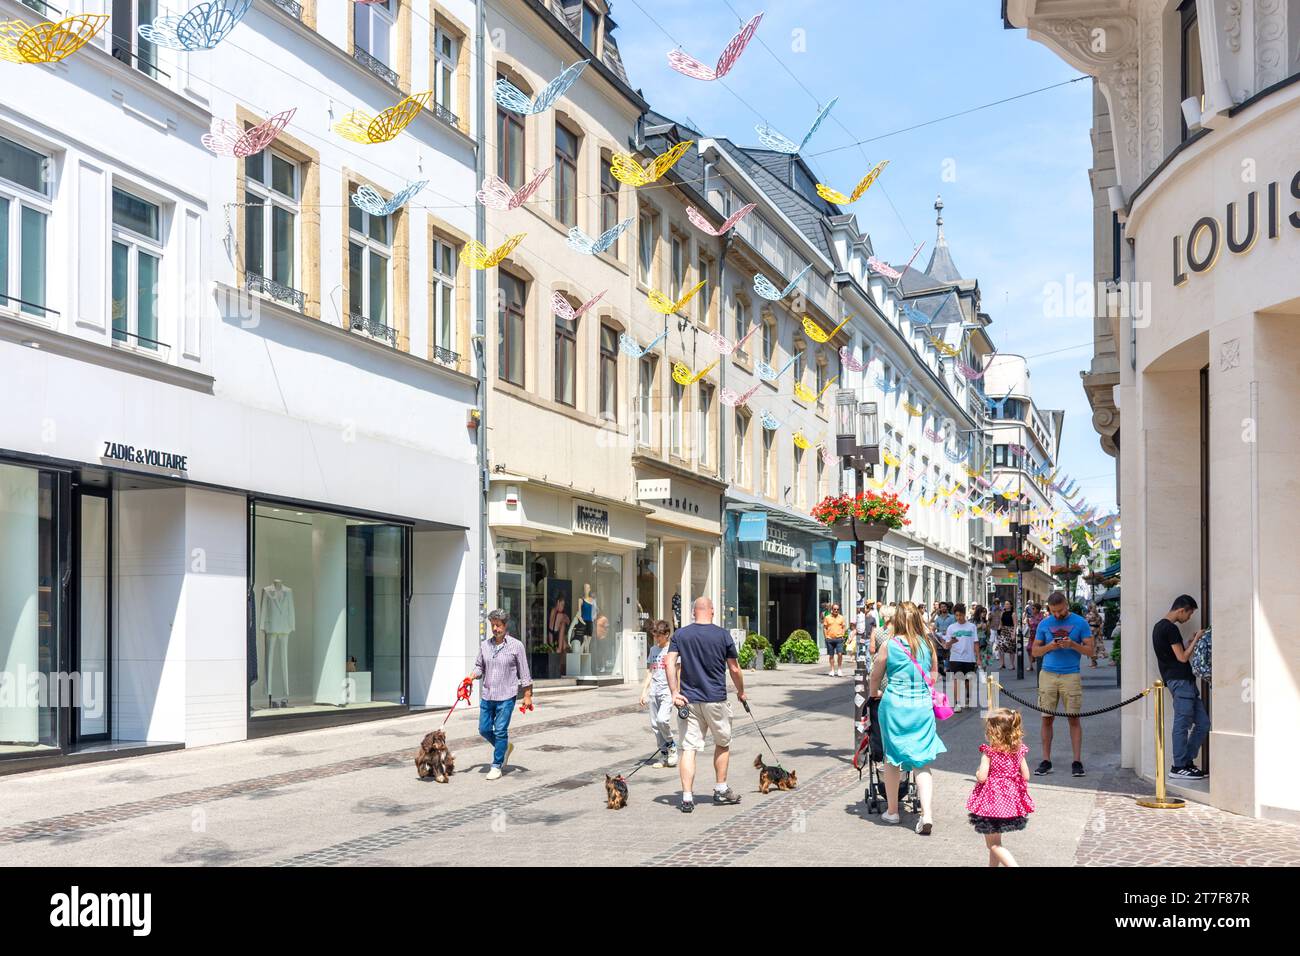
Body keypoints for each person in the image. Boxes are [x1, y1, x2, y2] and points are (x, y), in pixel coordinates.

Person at [868, 601, 946, 834]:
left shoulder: (890, 645)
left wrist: (874, 694)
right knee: (922, 762)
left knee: (892, 759)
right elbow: (933, 677)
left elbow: (875, 676)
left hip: (894, 706)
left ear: (898, 619)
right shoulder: (927, 645)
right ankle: (927, 814)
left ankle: (893, 811)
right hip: (921, 706)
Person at [665, 596, 747, 813]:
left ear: (693, 612)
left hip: (689, 701)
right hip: (716, 699)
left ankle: (687, 797)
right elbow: (735, 669)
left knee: (688, 748)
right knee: (722, 743)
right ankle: (720, 789)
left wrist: (674, 692)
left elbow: (669, 662)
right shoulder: (722, 635)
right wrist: (741, 691)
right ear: (711, 611)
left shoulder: (681, 635)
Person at [1030, 592, 1093, 777]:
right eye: (1053, 611)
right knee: (1046, 718)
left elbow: (1091, 650)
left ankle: (1077, 761)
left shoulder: (1080, 622)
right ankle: (1046, 760)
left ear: (1067, 605)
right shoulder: (1044, 623)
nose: (1057, 615)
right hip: (1048, 675)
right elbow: (1035, 651)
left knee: (1073, 718)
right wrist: (1051, 646)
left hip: (1071, 674)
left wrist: (1073, 644)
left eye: (1060, 610)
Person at [467, 609, 534, 780]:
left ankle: (497, 765)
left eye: (498, 625)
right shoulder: (485, 645)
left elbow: (524, 672)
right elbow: (479, 666)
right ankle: (504, 747)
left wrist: (527, 695)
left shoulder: (516, 646)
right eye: (493, 625)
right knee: (483, 729)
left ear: (505, 625)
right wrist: (472, 676)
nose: (495, 629)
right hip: (488, 694)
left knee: (500, 730)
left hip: (507, 695)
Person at [966, 708, 1035, 867]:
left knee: (993, 845)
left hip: (991, 804)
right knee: (997, 841)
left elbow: (982, 777)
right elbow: (1026, 776)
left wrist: (977, 773)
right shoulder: (1018, 750)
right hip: (1009, 804)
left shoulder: (989, 752)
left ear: (993, 731)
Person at [1152, 595, 1210, 779]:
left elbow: (1175, 652)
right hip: (1180, 681)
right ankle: (1178, 766)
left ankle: (1186, 762)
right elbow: (1183, 657)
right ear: (1181, 610)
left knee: (1203, 724)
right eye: (1190, 613)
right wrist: (1197, 639)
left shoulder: (1159, 627)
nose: (1189, 618)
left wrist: (1189, 641)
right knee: (1182, 724)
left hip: (1183, 681)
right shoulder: (1170, 628)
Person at [638, 619, 677, 768]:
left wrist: (677, 692)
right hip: (654, 691)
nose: (656, 639)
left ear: (667, 634)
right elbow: (650, 671)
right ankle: (664, 754)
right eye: (655, 636)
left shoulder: (672, 650)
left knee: (662, 720)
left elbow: (678, 671)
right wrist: (644, 692)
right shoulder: (654, 650)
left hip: (667, 691)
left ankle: (672, 746)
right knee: (655, 725)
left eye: (659, 636)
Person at [942, 603, 979, 712]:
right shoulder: (951, 628)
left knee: (968, 681)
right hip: (955, 657)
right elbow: (946, 646)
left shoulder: (971, 627)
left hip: (969, 658)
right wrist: (951, 642)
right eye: (957, 615)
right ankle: (957, 703)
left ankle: (967, 698)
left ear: (964, 614)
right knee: (956, 680)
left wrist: (978, 658)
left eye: (961, 615)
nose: (959, 618)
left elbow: (976, 642)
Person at [822, 602, 848, 677]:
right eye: (834, 609)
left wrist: (842, 635)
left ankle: (839, 669)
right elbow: (824, 627)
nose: (836, 610)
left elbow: (843, 627)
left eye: (837, 609)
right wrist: (826, 636)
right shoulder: (827, 617)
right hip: (830, 639)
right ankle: (832, 670)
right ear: (832, 609)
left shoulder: (841, 617)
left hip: (839, 638)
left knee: (840, 654)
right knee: (831, 655)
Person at [998, 600, 1016, 670]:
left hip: (1010, 631)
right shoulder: (1002, 613)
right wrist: (999, 630)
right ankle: (1002, 664)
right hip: (1003, 631)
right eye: (1005, 604)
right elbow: (1001, 623)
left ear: (1011, 605)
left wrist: (1014, 633)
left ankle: (1012, 665)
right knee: (1000, 648)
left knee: (1011, 649)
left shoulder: (1013, 614)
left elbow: (1015, 624)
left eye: (1007, 604)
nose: (1006, 605)